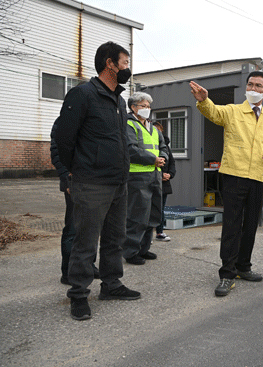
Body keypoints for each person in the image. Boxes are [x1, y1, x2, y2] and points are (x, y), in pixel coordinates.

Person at [53, 41, 141, 321]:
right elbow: (63, 138)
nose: (128, 69)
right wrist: (69, 173)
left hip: (118, 183)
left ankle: (111, 284)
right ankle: (79, 294)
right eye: (125, 63)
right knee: (86, 242)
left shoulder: (119, 99)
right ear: (109, 64)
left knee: (115, 239)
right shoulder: (82, 95)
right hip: (91, 182)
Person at [189, 71, 263, 297]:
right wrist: (203, 100)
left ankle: (243, 267)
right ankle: (227, 274)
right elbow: (213, 112)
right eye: (250, 84)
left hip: (257, 178)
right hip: (233, 175)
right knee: (232, 225)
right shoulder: (232, 111)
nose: (253, 88)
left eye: (259, 86)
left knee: (250, 225)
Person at [50, 124, 99, 285]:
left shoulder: (91, 121)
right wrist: (68, 179)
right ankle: (68, 271)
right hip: (74, 183)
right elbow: (57, 154)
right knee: (73, 228)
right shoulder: (64, 122)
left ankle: (88, 266)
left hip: (94, 183)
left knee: (91, 228)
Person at [122, 92, 168, 265]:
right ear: (133, 107)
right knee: (137, 215)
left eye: (148, 106)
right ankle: (131, 252)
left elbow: (163, 147)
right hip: (137, 176)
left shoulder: (153, 128)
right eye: (143, 106)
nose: (147, 109)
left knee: (152, 214)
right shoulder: (129, 124)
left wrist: (163, 158)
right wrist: (152, 159)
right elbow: (130, 148)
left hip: (155, 175)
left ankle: (143, 249)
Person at [154, 122, 176, 242]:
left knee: (161, 208)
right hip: (153, 180)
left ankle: (159, 232)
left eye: (159, 130)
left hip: (164, 183)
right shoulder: (150, 144)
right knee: (148, 208)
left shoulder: (166, 146)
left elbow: (172, 163)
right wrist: (160, 174)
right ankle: (146, 235)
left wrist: (170, 174)